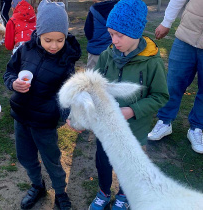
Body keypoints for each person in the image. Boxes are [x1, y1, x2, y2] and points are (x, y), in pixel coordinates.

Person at [85, 0, 169, 209]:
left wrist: (132, 110)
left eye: (119, 35)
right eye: (111, 33)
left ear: (135, 32)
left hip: (135, 129)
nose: (113, 40)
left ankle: (124, 195)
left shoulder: (152, 62)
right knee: (103, 160)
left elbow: (160, 96)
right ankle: (104, 192)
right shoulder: (107, 54)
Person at [3, 0, 81, 209]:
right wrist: (13, 83)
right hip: (22, 117)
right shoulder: (24, 50)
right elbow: (9, 72)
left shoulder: (66, 61)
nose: (54, 45)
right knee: (26, 156)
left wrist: (67, 115)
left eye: (60, 40)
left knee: (52, 159)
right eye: (48, 40)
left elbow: (67, 93)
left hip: (45, 121)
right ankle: (37, 185)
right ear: (38, 33)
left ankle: (61, 192)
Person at [147, 0, 203, 154]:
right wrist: (166, 22)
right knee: (172, 83)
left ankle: (197, 128)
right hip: (186, 38)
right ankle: (164, 121)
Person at [84, 0, 118, 70]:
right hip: (114, 50)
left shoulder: (93, 10)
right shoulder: (119, 7)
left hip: (96, 50)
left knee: (92, 77)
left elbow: (88, 31)